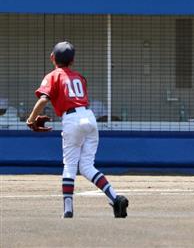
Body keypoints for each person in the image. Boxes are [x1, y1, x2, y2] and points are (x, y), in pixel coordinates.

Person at [26, 41, 129, 217]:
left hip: (72, 119)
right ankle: (115, 197)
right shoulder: (79, 77)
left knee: (70, 165)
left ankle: (68, 210)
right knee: (87, 166)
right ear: (72, 61)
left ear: (52, 57)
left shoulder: (53, 75)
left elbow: (44, 99)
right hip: (89, 117)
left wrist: (31, 119)